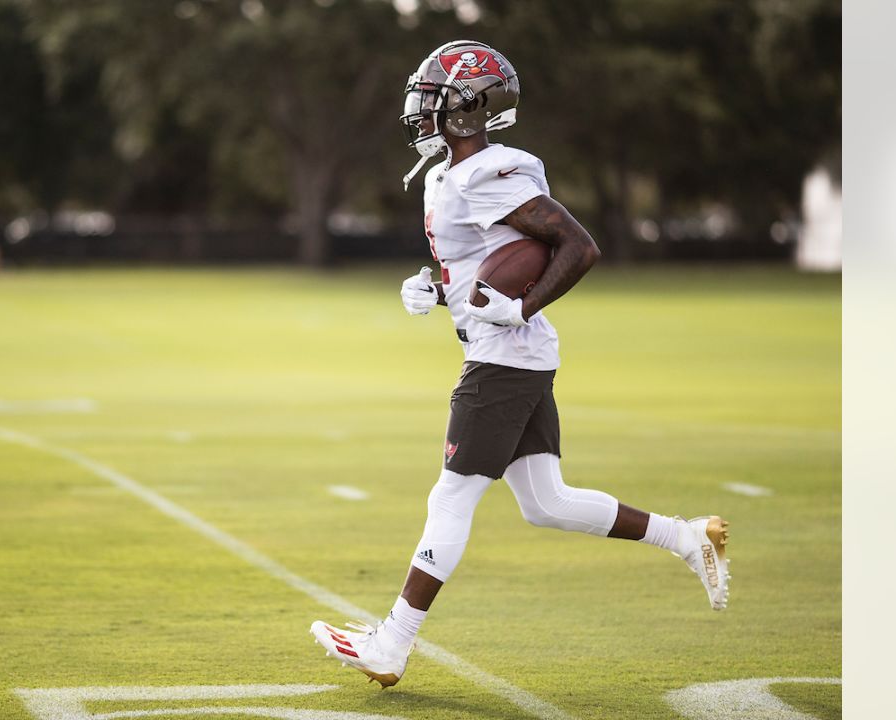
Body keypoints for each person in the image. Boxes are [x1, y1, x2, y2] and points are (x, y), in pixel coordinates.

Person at [309, 40, 731, 689]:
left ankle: (393, 642)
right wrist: (435, 287)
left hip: (504, 357)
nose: (421, 107)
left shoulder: (494, 170)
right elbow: (484, 263)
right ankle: (686, 537)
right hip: (510, 353)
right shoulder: (443, 175)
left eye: (435, 96)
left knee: (450, 496)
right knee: (546, 502)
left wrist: (523, 307)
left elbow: (577, 247)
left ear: (469, 106)